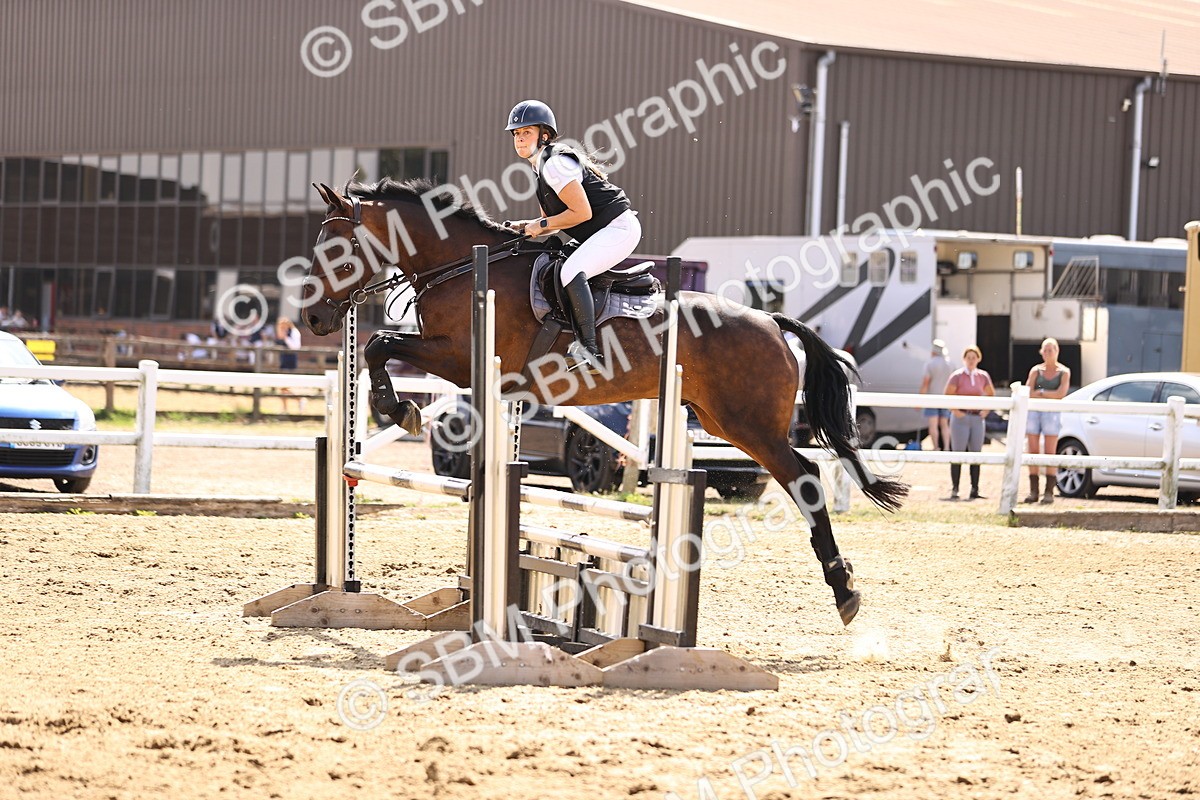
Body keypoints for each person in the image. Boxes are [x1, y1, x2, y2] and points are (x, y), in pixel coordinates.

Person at [505, 100, 641, 374]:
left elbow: (580, 213)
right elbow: (554, 225)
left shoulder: (554, 164)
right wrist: (525, 225)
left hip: (618, 228)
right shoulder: (539, 168)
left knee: (571, 271)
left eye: (526, 132)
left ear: (544, 135)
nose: (520, 139)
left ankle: (590, 350)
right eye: (516, 134)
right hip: (600, 230)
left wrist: (539, 223)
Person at [943, 345, 995, 500]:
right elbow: (947, 394)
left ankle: (975, 488)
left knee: (976, 452)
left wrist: (985, 411)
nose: (971, 360)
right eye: (969, 357)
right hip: (961, 418)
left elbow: (991, 394)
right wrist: (955, 411)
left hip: (976, 418)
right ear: (964, 359)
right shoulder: (957, 376)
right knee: (958, 452)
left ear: (978, 359)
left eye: (974, 357)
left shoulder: (983, 376)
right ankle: (955, 488)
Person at [1024, 337, 1071, 504]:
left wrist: (1041, 392)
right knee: (1033, 449)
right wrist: (1046, 393)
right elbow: (1028, 391)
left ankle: (1049, 491)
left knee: (1050, 450)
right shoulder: (1036, 371)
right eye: (1045, 350)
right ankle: (1033, 490)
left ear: (1057, 351)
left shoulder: (1064, 372)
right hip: (1034, 412)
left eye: (1051, 350)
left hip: (1052, 413)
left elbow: (1060, 394)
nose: (1048, 353)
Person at [918, 339, 953, 450]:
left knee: (933, 425)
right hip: (945, 399)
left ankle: (936, 447)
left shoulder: (930, 364)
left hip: (932, 398)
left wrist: (919, 401)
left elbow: (925, 383)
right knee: (944, 424)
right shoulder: (950, 364)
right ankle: (947, 447)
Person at [274, 316, 303, 413]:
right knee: (282, 387)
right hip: (283, 359)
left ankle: (299, 399)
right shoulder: (283, 333)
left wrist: (286, 338)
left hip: (290, 359)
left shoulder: (294, 332)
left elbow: (296, 347)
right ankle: (286, 407)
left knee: (284, 386)